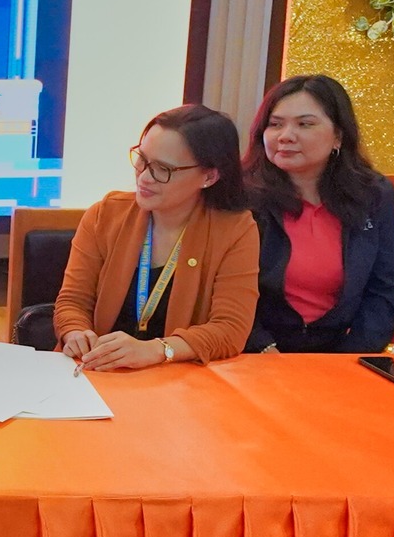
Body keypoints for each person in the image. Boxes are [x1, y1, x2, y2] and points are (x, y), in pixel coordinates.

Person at [54, 105, 259, 369]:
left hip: (181, 379)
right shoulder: (104, 215)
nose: (144, 176)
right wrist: (75, 332)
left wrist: (157, 350)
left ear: (209, 176)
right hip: (97, 371)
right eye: (141, 159)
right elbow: (73, 301)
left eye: (163, 169)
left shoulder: (235, 229)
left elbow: (230, 329)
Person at [244, 75, 394, 353]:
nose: (285, 136)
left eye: (305, 124)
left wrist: (349, 358)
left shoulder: (373, 194)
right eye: (275, 124)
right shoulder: (242, 194)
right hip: (252, 351)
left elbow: (387, 289)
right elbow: (222, 290)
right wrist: (263, 350)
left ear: (338, 136)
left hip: (342, 352)